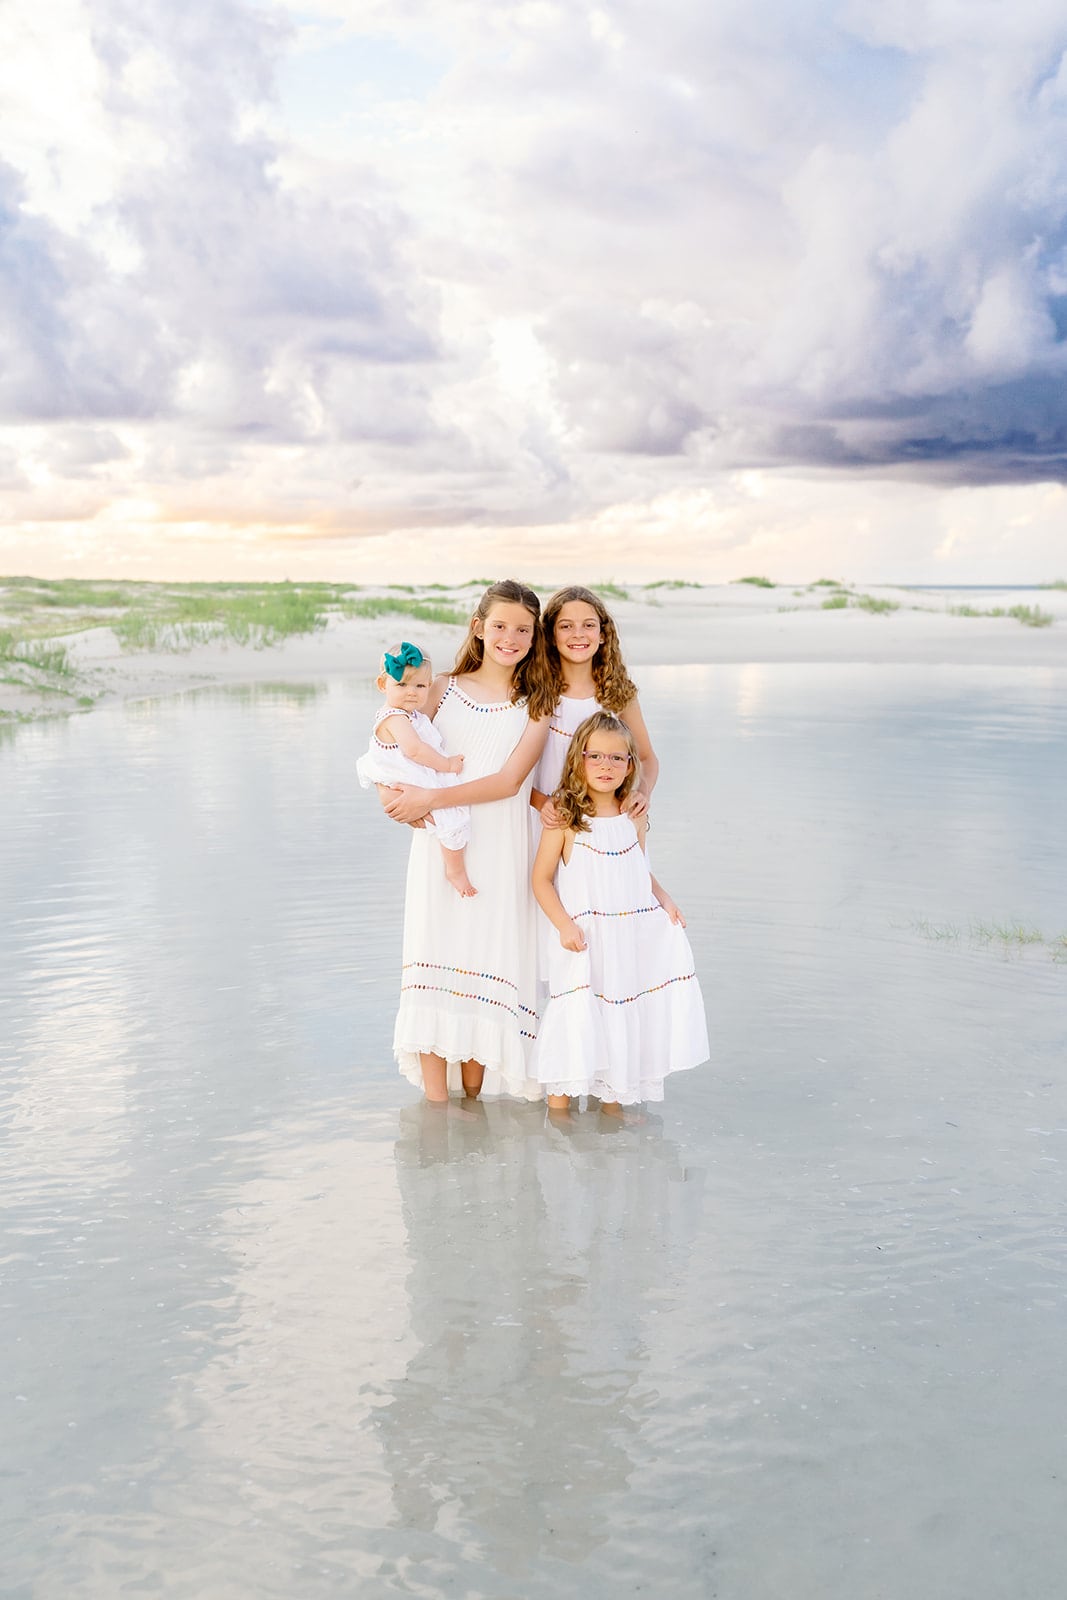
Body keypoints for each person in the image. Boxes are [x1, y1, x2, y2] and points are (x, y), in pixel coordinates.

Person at [380, 579, 556, 1103]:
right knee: (435, 959)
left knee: (487, 964)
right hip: (440, 851)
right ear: (478, 627)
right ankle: (437, 1109)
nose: (510, 638)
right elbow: (393, 749)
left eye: (523, 630)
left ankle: (471, 1107)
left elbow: (508, 783)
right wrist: (394, 800)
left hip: (501, 848)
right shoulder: (439, 690)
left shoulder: (536, 704)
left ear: (534, 637)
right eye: (499, 626)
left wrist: (428, 799)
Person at [530, 711, 709, 1112]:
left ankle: (613, 1127)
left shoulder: (634, 816)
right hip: (582, 941)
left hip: (625, 942)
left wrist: (665, 900)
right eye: (595, 756)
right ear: (578, 758)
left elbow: (639, 871)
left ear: (630, 765)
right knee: (575, 1019)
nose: (605, 766)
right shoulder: (565, 818)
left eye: (617, 758)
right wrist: (563, 925)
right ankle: (559, 1127)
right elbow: (540, 879)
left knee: (620, 1019)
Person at [357, 641, 475, 898]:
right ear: (382, 685)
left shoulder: (411, 715)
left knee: (452, 814)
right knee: (451, 818)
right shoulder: (395, 718)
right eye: (401, 684)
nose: (412, 692)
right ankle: (455, 869)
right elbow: (415, 751)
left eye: (420, 686)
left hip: (416, 774)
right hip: (409, 776)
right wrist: (448, 765)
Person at [531, 585, 659, 821]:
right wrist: (541, 802)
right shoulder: (535, 692)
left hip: (598, 821)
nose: (578, 634)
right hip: (545, 817)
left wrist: (641, 792)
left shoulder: (618, 695)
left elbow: (647, 758)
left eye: (588, 625)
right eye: (566, 626)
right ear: (550, 636)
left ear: (602, 634)